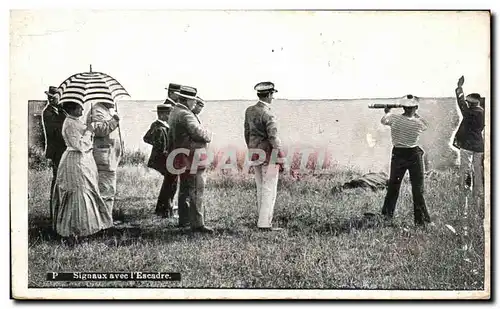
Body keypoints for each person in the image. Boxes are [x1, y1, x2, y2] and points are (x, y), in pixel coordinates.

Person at [51, 100, 113, 238]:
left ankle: (90, 224)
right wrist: (89, 131)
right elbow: (79, 145)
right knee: (79, 190)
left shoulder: (75, 121)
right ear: (71, 109)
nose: (82, 109)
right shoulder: (69, 123)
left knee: (87, 188)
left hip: (83, 159)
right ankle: (78, 228)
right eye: (79, 107)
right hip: (75, 159)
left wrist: (89, 128)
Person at [380, 95, 431, 226]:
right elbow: (426, 125)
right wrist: (416, 112)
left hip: (398, 154)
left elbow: (383, 120)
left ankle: (386, 216)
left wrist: (388, 111)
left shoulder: (394, 119)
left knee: (393, 187)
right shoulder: (418, 123)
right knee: (417, 189)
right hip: (414, 154)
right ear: (415, 107)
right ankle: (421, 221)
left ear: (403, 107)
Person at [168, 86, 214, 233]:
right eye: (193, 100)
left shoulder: (175, 111)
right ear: (187, 100)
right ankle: (198, 224)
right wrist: (209, 133)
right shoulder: (186, 114)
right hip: (192, 158)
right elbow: (198, 133)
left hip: (182, 157)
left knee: (185, 190)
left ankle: (184, 220)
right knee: (196, 191)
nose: (194, 103)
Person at [244, 81, 284, 231]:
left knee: (260, 186)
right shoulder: (269, 113)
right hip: (270, 156)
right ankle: (265, 223)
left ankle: (262, 221)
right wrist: (281, 157)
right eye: (272, 94)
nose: (272, 97)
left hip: (255, 154)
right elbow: (274, 138)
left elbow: (247, 133)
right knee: (270, 188)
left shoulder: (249, 111)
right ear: (268, 95)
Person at [86, 101, 122, 218]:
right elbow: (99, 130)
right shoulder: (97, 110)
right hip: (104, 157)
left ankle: (105, 219)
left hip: (108, 156)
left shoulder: (103, 110)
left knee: (108, 188)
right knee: (106, 189)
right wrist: (115, 120)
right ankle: (104, 221)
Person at [452, 76, 485, 200]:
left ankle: (464, 196)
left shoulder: (469, 112)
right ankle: (478, 198)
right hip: (479, 145)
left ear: (470, 103)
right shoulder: (482, 112)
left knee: (465, 171)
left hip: (467, 146)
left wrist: (459, 88)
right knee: (478, 172)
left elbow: (461, 103)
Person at [143, 104, 177, 218]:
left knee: (169, 183)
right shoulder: (160, 128)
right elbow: (159, 145)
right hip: (164, 159)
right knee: (170, 184)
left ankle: (162, 208)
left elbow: (146, 138)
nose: (170, 116)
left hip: (161, 159)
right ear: (162, 114)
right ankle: (166, 209)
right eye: (168, 114)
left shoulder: (157, 125)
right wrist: (161, 148)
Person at [42, 86, 67, 222]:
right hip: (56, 151)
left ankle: (60, 211)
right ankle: (54, 213)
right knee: (57, 180)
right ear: (50, 98)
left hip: (62, 150)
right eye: (53, 97)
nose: (55, 99)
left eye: (57, 96)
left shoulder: (61, 110)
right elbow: (56, 132)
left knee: (61, 180)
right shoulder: (48, 113)